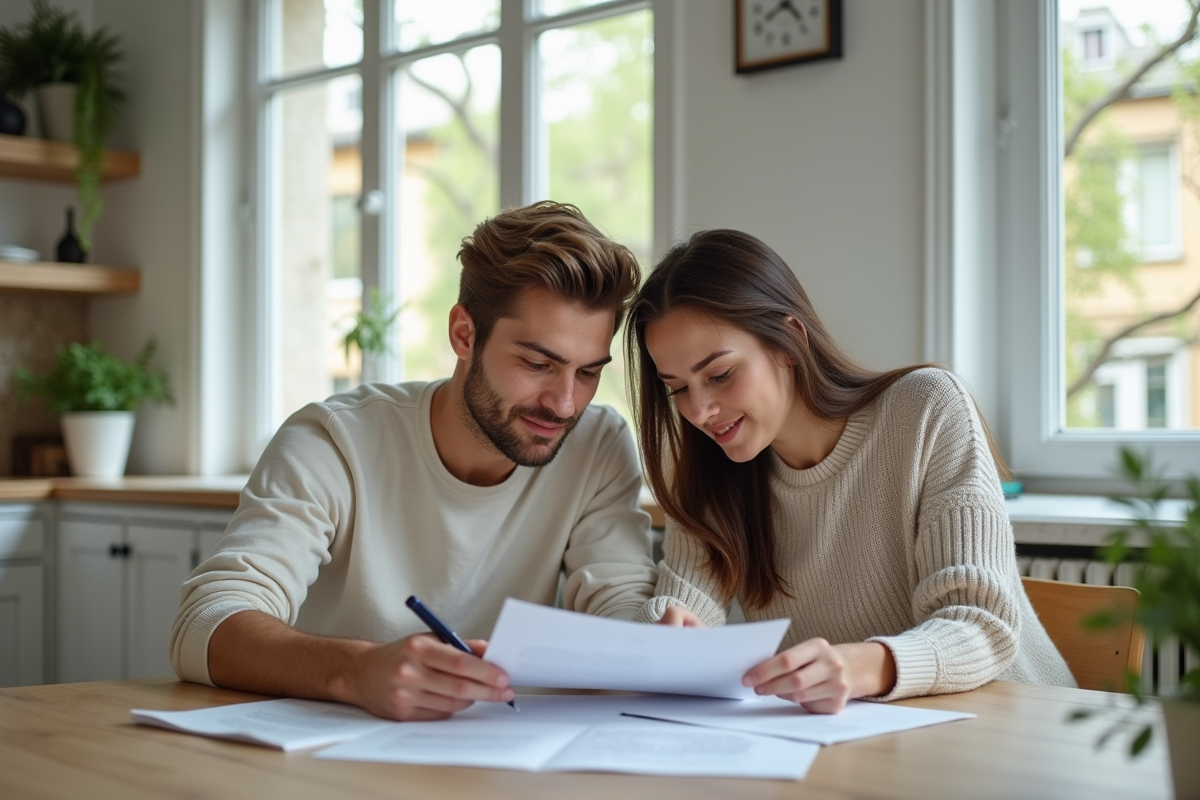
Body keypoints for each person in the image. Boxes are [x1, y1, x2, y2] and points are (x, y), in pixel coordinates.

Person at [171, 201, 656, 721]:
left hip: (497, 754)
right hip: (330, 757)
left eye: (588, 373)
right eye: (538, 364)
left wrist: (653, 641)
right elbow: (205, 623)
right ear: (464, 334)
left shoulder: (596, 446)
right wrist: (356, 672)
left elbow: (620, 599)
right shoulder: (334, 441)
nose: (564, 404)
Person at [626, 229, 1075, 713]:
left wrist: (863, 666)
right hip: (867, 740)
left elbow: (980, 623)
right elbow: (686, 604)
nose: (700, 410)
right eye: (677, 388)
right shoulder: (710, 468)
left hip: (1016, 722)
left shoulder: (925, 408)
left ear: (788, 341)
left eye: (719, 375)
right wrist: (667, 634)